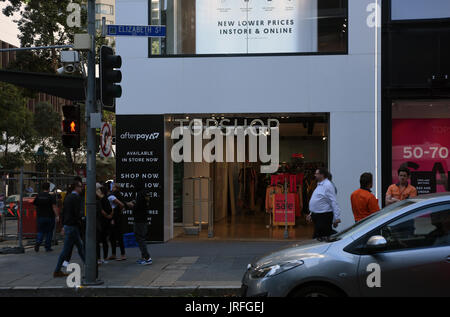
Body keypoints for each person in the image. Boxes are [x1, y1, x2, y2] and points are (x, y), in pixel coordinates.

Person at [53, 181, 85, 278]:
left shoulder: (68, 197)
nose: (82, 188)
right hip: (72, 226)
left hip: (69, 225)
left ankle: (89, 265)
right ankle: (57, 270)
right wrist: (80, 221)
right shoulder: (76, 198)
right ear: (76, 187)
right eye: (80, 187)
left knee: (80, 247)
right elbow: (77, 213)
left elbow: (64, 212)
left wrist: (64, 225)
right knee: (67, 250)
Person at [306, 168, 341, 240]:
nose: (315, 175)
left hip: (324, 216)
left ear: (322, 175)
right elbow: (318, 200)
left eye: (316, 174)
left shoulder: (328, 185)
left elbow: (333, 201)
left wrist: (336, 218)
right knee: (324, 234)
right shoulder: (319, 185)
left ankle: (341, 238)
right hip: (318, 216)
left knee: (319, 236)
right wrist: (311, 213)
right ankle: (339, 237)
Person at [33, 182, 59, 252]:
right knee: (49, 232)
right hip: (49, 217)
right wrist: (57, 216)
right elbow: (54, 207)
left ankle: (38, 242)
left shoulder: (38, 196)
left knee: (40, 231)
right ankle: (47, 247)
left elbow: (35, 205)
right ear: (48, 188)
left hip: (40, 217)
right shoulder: (51, 196)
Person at [132, 180, 152, 265]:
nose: (133, 187)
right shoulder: (146, 193)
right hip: (144, 218)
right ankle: (144, 257)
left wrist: (132, 205)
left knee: (140, 238)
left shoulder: (140, 194)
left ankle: (147, 258)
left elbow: (138, 206)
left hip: (139, 219)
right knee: (142, 237)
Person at [107, 183, 127, 261]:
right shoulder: (119, 195)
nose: (112, 188)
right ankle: (120, 254)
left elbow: (121, 204)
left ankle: (119, 254)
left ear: (115, 188)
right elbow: (122, 205)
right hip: (119, 218)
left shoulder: (112, 195)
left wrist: (114, 213)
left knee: (114, 236)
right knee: (117, 236)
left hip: (114, 218)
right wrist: (120, 210)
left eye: (113, 187)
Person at [96, 184, 111, 265]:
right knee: (104, 240)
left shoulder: (99, 200)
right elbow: (110, 209)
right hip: (105, 222)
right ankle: (104, 258)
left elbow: (101, 210)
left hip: (101, 222)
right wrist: (110, 216)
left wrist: (107, 215)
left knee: (98, 241)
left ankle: (99, 258)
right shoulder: (106, 198)